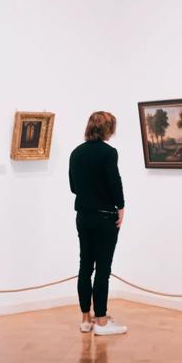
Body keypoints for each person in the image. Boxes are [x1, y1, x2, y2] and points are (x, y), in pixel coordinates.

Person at [69, 111, 127, 336]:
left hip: (83, 215)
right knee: (103, 269)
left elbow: (73, 186)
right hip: (104, 216)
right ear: (108, 129)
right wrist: (120, 207)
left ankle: (86, 319)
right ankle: (101, 321)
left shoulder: (76, 152)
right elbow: (115, 182)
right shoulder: (109, 153)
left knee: (85, 266)